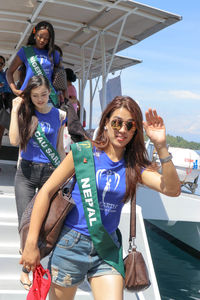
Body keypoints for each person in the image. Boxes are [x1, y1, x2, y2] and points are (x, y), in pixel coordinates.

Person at [20, 96, 181, 300]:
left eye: (129, 125)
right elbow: (46, 192)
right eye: (117, 122)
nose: (122, 130)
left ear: (135, 131)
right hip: (71, 245)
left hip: (106, 249)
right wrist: (31, 243)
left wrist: (161, 146)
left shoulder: (134, 167)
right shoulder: (83, 153)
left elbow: (172, 190)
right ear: (106, 123)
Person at [9, 75, 67, 290]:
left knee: (42, 224)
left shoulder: (59, 116)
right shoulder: (25, 112)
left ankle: (30, 267)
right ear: (29, 96)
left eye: (44, 94)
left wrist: (64, 173)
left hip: (49, 174)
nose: (41, 99)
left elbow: (59, 148)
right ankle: (27, 267)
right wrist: (16, 111)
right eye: (35, 96)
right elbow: (14, 141)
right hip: (25, 173)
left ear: (49, 92)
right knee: (25, 224)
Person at [6, 21, 61, 104]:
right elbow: (9, 72)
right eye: (40, 36)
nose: (42, 40)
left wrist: (64, 95)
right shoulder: (25, 51)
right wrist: (14, 90)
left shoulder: (54, 53)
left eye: (46, 39)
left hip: (47, 98)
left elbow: (61, 76)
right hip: (26, 97)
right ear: (35, 34)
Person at [0, 55, 13, 150]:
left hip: (3, 107)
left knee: (0, 135)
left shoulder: (6, 76)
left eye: (1, 63)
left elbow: (10, 90)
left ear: (4, 65)